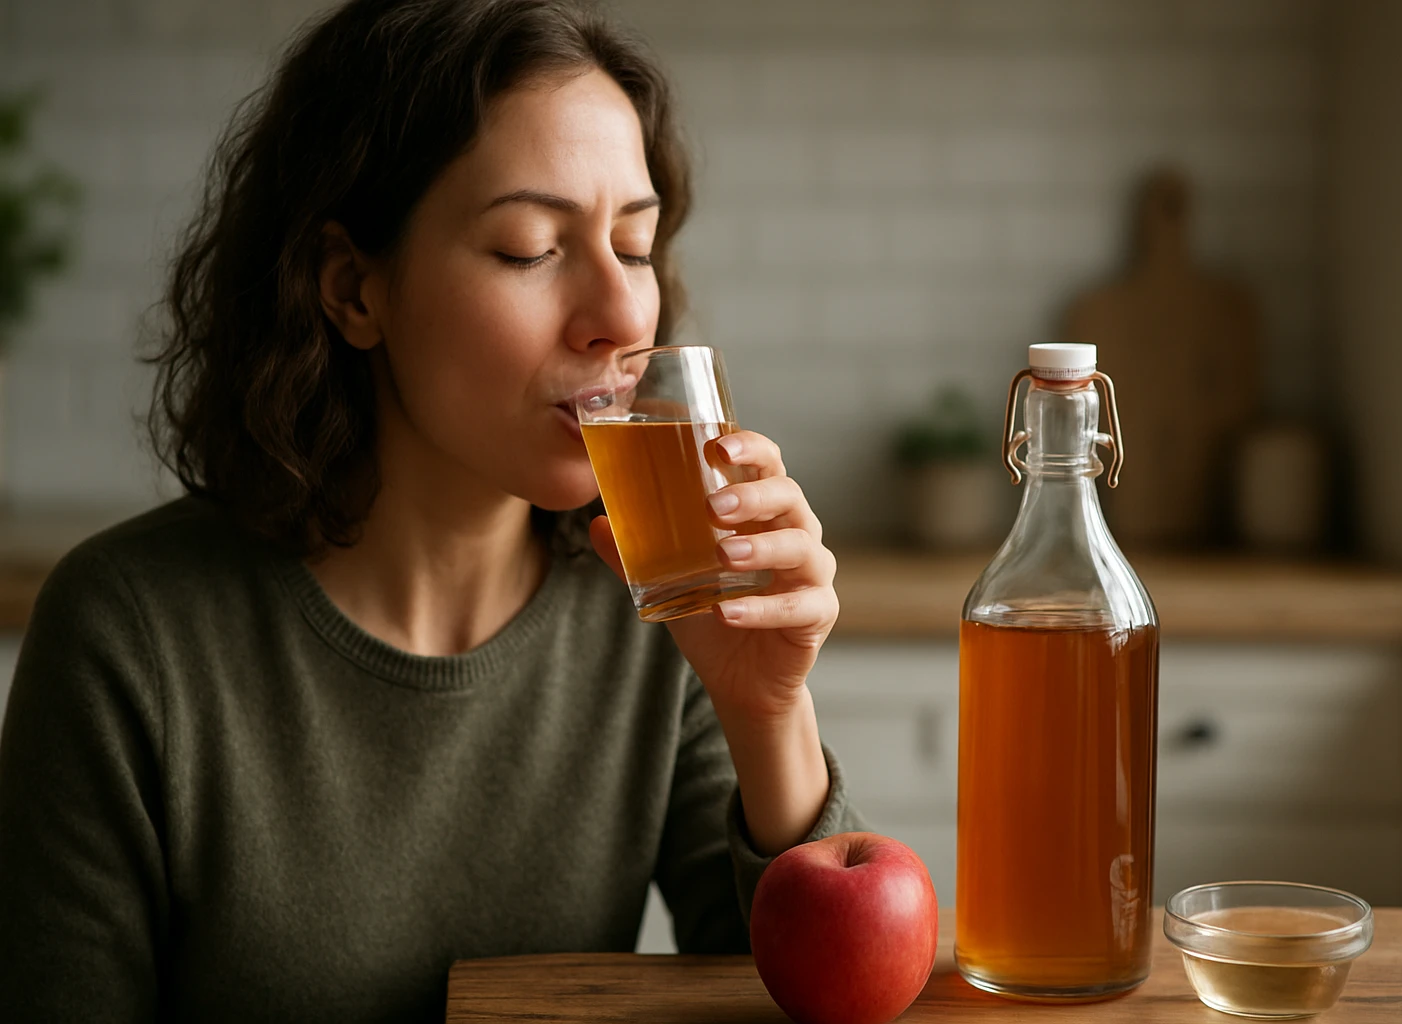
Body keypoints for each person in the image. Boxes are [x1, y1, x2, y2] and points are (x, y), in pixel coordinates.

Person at [0, 1, 864, 1019]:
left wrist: (769, 713)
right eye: (530, 248)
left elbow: (812, 998)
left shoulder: (655, 607)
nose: (627, 315)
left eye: (633, 245)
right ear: (353, 290)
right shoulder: (130, 636)